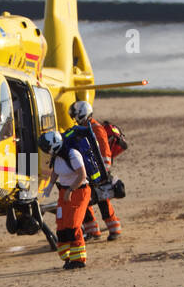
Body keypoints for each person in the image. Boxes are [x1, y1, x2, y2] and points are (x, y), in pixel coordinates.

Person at [66, 100, 123, 242]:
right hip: (89, 171)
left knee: (103, 200)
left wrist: (103, 170)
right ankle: (93, 231)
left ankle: (114, 228)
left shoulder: (96, 129)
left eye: (75, 116)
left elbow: (104, 151)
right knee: (86, 201)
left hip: (98, 173)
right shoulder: (85, 128)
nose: (74, 119)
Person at [40, 129, 89, 270]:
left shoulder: (72, 154)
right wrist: (50, 185)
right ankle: (68, 258)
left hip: (78, 192)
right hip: (64, 192)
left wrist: (70, 190)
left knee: (73, 224)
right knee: (62, 226)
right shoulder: (58, 156)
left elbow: (82, 175)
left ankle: (79, 259)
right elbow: (56, 171)